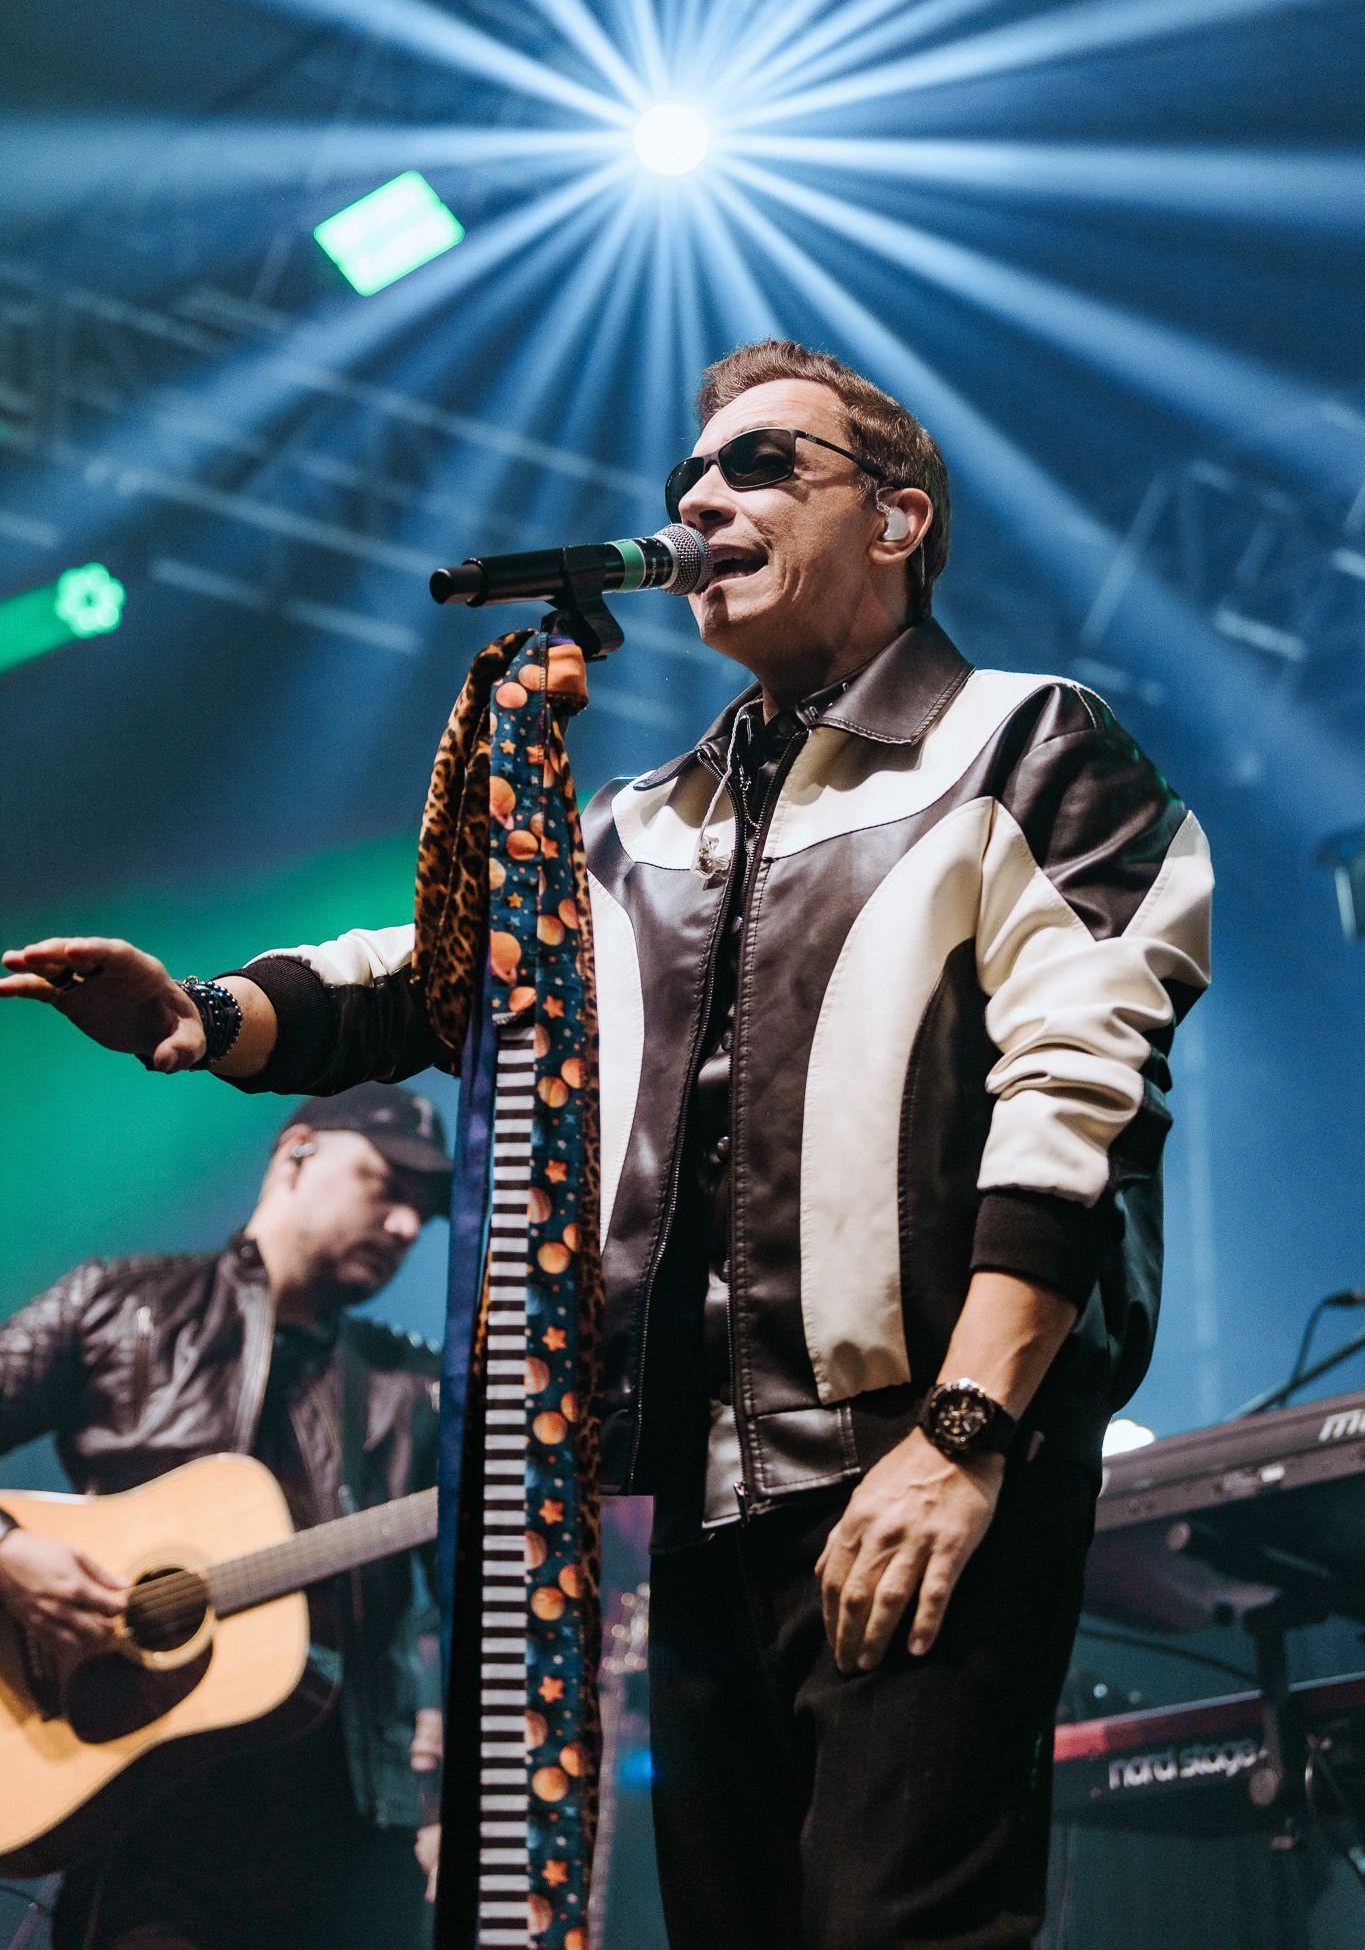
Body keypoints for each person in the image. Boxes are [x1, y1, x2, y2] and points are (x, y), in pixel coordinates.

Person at [1, 338, 1213, 1949]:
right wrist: (206, 1012)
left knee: (904, 1925)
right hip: (699, 1488)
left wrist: (967, 1431)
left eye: (761, 465)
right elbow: (436, 968)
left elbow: (1085, 1090)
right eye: (686, 480)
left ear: (899, 520)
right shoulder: (654, 820)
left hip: (920, 1457)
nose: (703, 498)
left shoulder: (1026, 746)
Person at [0, 1084, 452, 1950]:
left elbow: (480, 1608)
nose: (405, 1226)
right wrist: (11, 1554)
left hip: (352, 1838)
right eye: (387, 1184)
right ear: (296, 1154)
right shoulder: (116, 1305)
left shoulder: (420, 1386)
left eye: (426, 1211)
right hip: (144, 1828)